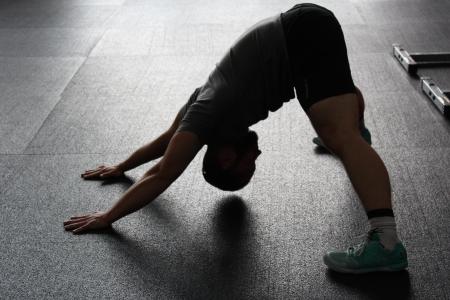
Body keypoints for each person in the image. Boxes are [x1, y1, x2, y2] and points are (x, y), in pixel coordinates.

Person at [63, 3, 408, 274]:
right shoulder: (203, 108)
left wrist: (109, 216)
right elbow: (164, 140)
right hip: (301, 31)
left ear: (225, 158)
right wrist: (122, 167)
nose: (257, 155)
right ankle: (355, 132)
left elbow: (163, 172)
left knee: (340, 135)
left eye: (249, 164)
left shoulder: (207, 115)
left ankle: (387, 243)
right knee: (332, 120)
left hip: (300, 36)